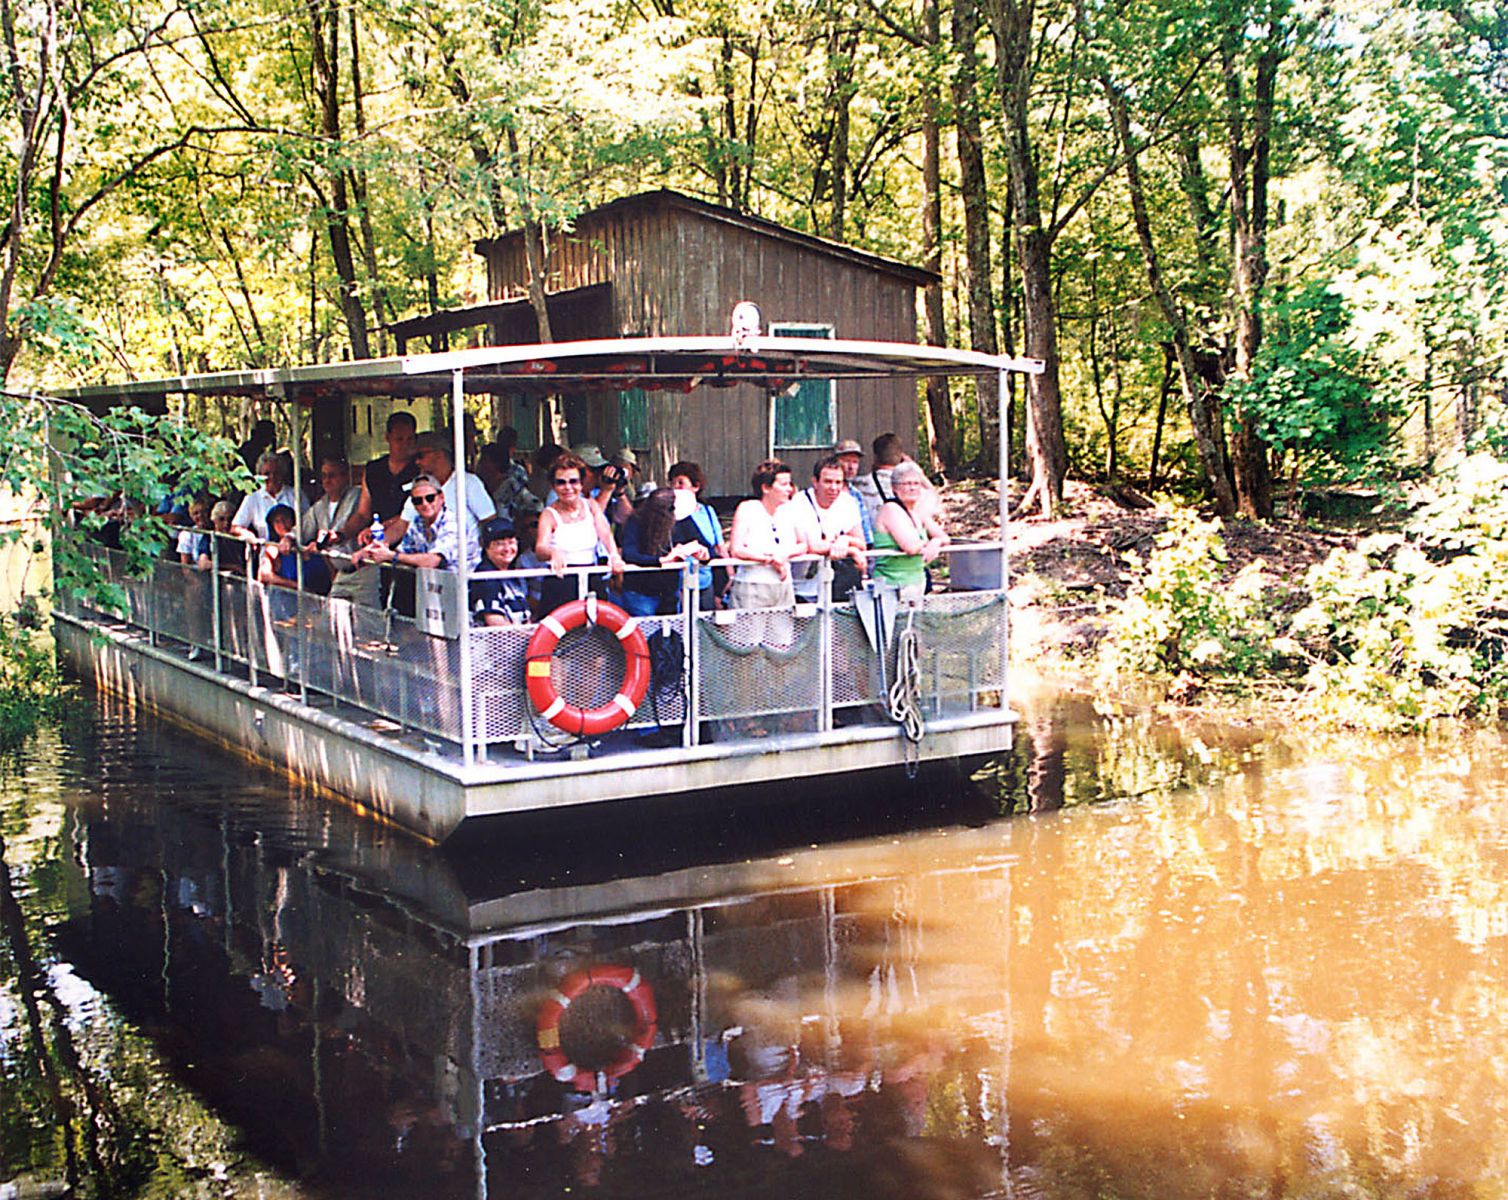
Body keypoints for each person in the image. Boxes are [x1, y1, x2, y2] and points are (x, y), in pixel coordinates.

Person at [535, 453, 625, 614]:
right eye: (561, 483)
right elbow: (540, 548)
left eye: (573, 481)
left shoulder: (591, 505)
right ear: (553, 486)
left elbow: (604, 531)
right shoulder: (549, 514)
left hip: (591, 577)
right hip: (561, 582)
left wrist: (614, 555)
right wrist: (553, 552)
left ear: (581, 483)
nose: (568, 487)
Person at [616, 488, 711, 616]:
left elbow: (704, 545)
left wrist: (703, 554)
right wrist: (663, 560)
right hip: (640, 591)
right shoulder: (636, 521)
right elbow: (629, 554)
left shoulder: (682, 519)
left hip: (669, 591)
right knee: (644, 633)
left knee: (669, 632)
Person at [352, 473, 474, 573]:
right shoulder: (417, 522)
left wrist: (391, 556)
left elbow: (432, 561)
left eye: (430, 498)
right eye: (417, 500)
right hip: (433, 588)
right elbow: (402, 552)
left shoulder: (453, 523)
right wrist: (367, 553)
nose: (425, 504)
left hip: (463, 591)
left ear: (441, 497)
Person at [388, 431, 495, 545]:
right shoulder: (420, 487)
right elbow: (401, 526)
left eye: (420, 456)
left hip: (461, 559)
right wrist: (376, 546)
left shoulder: (468, 483)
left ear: (439, 454)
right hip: (424, 558)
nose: (417, 462)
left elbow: (490, 522)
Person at [729, 459, 805, 614]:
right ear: (766, 488)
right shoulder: (747, 508)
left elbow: (803, 544)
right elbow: (736, 549)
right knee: (749, 637)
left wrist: (783, 555)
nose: (789, 489)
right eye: (783, 484)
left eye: (789, 484)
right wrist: (769, 560)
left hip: (784, 586)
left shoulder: (791, 510)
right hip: (752, 586)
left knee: (783, 637)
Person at [789, 454, 866, 603]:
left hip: (836, 585)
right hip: (802, 588)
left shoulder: (848, 502)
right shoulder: (799, 502)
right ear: (815, 482)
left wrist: (845, 540)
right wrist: (852, 550)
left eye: (838, 482)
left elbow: (861, 542)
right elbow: (811, 545)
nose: (834, 488)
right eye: (828, 482)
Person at [298, 456, 375, 607]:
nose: (327, 480)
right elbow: (301, 529)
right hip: (340, 573)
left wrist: (321, 543)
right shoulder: (320, 505)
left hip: (363, 572)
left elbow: (342, 529)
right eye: (324, 476)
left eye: (332, 475)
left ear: (345, 476)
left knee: (366, 623)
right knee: (332, 620)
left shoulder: (357, 496)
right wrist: (289, 538)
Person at [340, 410, 420, 544]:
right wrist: (341, 534)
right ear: (388, 437)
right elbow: (362, 514)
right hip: (373, 540)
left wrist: (384, 527)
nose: (405, 445)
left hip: (410, 541)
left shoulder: (420, 469)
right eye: (399, 439)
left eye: (410, 439)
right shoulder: (373, 469)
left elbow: (415, 512)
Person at [872, 461, 948, 602]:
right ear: (894, 488)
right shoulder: (890, 509)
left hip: (917, 582)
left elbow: (944, 538)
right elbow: (911, 547)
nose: (912, 488)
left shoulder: (917, 512)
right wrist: (928, 543)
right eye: (906, 484)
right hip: (893, 585)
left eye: (916, 484)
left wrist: (935, 542)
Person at [668, 460, 728, 611]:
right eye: (673, 483)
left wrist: (729, 576)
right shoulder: (669, 513)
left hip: (706, 580)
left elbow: (719, 546)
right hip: (680, 581)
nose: (676, 488)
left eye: (681, 483)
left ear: (696, 486)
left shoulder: (708, 511)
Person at [470, 518, 532, 625]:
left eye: (511, 542)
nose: (507, 549)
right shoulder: (485, 576)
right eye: (499, 544)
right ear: (487, 548)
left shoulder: (512, 573)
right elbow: (494, 621)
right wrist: (526, 637)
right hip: (493, 640)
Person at [231, 452, 298, 542]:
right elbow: (235, 527)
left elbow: (306, 525)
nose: (272, 477)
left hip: (294, 551)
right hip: (265, 551)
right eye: (267, 474)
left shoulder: (295, 495)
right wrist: (248, 535)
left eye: (276, 473)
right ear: (260, 475)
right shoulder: (253, 498)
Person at [832, 439, 875, 547]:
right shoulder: (827, 493)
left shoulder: (856, 493)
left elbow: (865, 527)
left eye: (855, 462)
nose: (850, 467)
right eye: (846, 461)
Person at [176, 496, 214, 569]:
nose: (200, 516)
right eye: (196, 513)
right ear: (191, 516)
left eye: (204, 512)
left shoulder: (215, 530)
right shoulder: (187, 534)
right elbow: (185, 567)